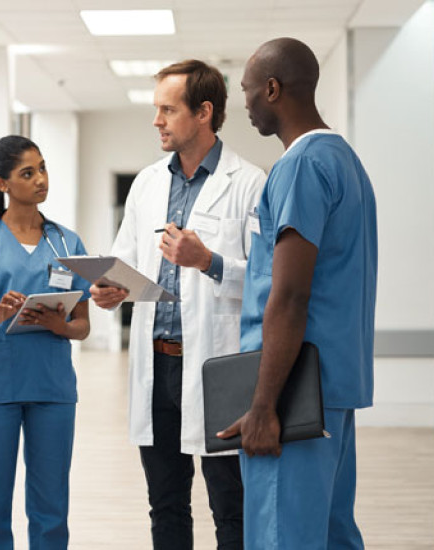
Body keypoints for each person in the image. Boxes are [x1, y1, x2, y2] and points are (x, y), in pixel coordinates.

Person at [90, 60, 266, 549]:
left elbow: (267, 280)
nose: (157, 121)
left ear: (204, 112)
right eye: (156, 109)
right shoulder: (147, 184)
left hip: (217, 368)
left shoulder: (250, 183)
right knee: (165, 503)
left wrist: (207, 260)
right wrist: (108, 290)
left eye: (168, 109)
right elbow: (125, 261)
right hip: (157, 365)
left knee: (231, 506)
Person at [217, 37, 377, 549]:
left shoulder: (301, 167)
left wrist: (264, 406)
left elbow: (288, 295)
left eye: (246, 92)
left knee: (283, 537)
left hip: (294, 393)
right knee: (329, 535)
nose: (244, 104)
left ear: (272, 88)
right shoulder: (345, 161)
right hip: (332, 385)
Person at [0, 135, 91, 549]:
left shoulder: (66, 243)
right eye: (28, 173)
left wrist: (59, 326)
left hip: (52, 389)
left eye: (42, 168)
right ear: (1, 183)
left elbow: (82, 326)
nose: (41, 179)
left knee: (51, 509)